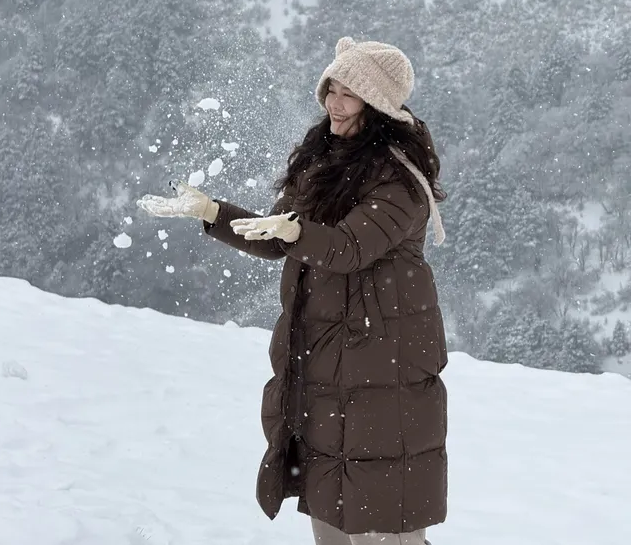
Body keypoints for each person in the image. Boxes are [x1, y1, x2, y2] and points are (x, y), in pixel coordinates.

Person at [137, 37, 448, 545]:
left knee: (381, 518)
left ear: (378, 107)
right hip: (323, 358)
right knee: (327, 503)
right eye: (332, 89)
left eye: (350, 94)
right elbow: (278, 235)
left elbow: (346, 248)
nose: (334, 103)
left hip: (382, 363)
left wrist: (294, 233)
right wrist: (214, 213)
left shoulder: (400, 179)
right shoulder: (321, 158)